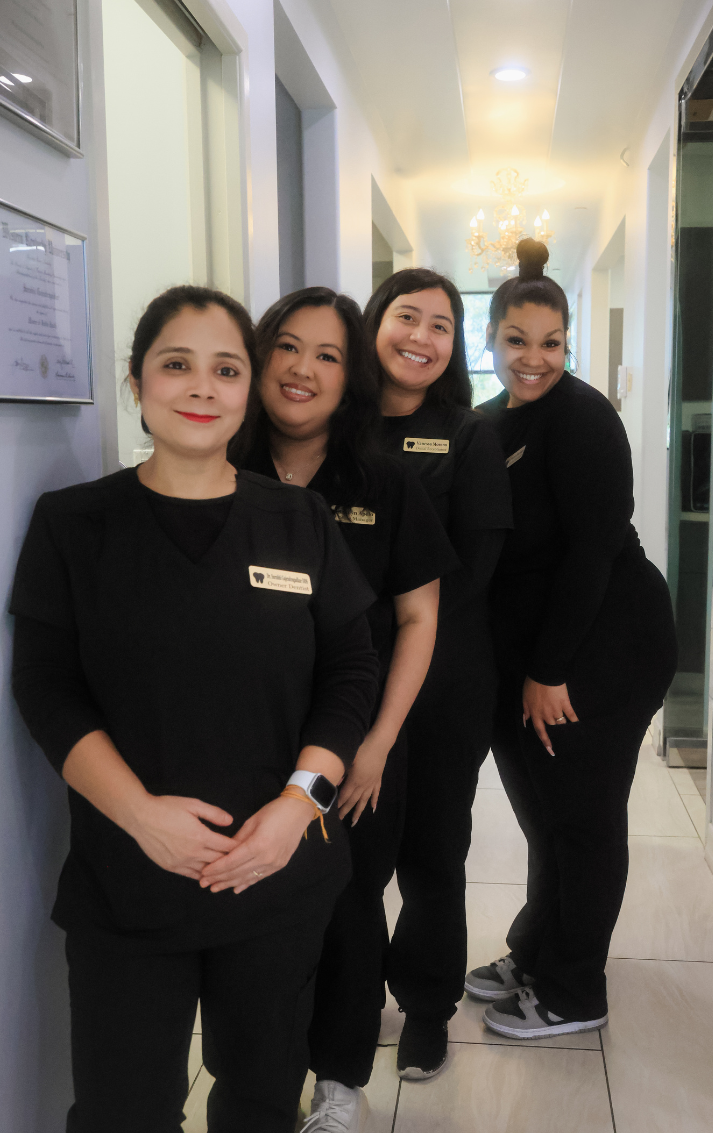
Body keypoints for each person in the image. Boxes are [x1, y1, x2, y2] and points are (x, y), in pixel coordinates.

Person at [10, 285, 380, 1133]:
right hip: (130, 878)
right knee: (121, 1108)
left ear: (248, 392)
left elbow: (351, 670)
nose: (201, 386)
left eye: (226, 369)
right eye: (176, 364)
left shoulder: (299, 520)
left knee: (258, 1100)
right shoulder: (75, 525)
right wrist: (141, 816)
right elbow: (46, 686)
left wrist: (298, 807)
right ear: (137, 384)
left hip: (277, 872)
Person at [242, 286, 458, 1130]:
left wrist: (375, 747)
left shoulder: (386, 481)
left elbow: (419, 616)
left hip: (359, 743)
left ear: (351, 375)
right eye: (286, 347)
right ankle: (258, 1073)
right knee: (255, 908)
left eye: (328, 355)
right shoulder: (219, 463)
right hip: (248, 736)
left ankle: (338, 1080)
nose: (303, 370)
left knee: (348, 906)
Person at [465, 239, 678, 1039]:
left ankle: (575, 988)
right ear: (492, 339)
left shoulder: (586, 419)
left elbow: (591, 554)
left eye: (551, 342)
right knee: (544, 814)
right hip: (537, 651)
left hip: (606, 648)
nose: (535, 357)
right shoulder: (488, 422)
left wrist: (550, 670)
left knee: (583, 818)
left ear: (568, 342)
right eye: (518, 340)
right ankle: (537, 949)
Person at [363, 269, 513, 1079]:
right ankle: (346, 1006)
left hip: (443, 676)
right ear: (374, 322)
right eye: (407, 316)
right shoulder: (333, 423)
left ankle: (426, 1006)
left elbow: (477, 565)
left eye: (442, 326)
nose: (421, 336)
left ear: (455, 347)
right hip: (342, 678)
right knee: (349, 857)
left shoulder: (466, 433)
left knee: (430, 850)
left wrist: (397, 637)